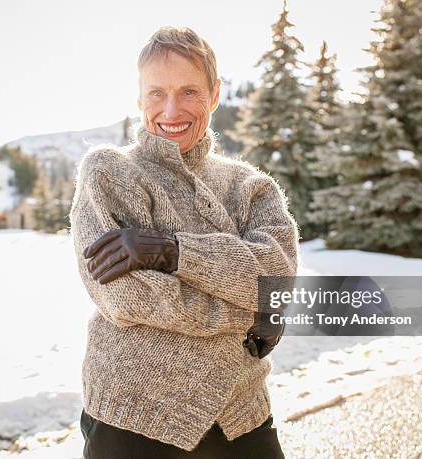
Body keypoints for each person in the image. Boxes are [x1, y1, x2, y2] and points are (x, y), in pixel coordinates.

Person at [69, 26, 299, 458]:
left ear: (214, 96)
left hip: (240, 417)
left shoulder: (252, 187)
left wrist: (172, 251)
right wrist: (248, 312)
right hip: (131, 416)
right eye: (156, 93)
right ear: (139, 99)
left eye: (189, 92)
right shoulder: (108, 173)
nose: (171, 109)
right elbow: (125, 297)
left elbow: (278, 276)